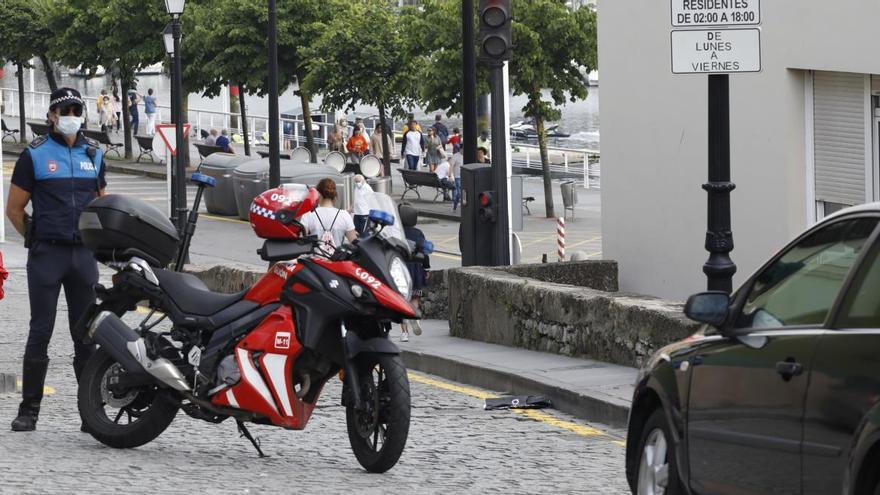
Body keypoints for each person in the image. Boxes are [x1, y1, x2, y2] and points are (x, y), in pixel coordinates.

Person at [5, 88, 107, 432]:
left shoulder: (94, 153)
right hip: (47, 254)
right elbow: (14, 210)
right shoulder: (34, 155)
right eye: (65, 109)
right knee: (40, 332)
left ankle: (90, 413)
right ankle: (29, 410)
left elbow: (101, 205)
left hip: (83, 256)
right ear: (51, 115)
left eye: (76, 108)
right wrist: (34, 239)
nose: (71, 114)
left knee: (86, 336)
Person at [301, 178, 357, 253]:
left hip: (314, 262)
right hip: (336, 261)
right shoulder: (344, 215)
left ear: (318, 194)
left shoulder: (309, 214)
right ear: (334, 194)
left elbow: (301, 241)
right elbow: (354, 243)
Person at [398, 203, 428, 342]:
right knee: (415, 297)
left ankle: (404, 333)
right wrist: (426, 268)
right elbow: (424, 252)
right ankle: (414, 316)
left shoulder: (396, 232)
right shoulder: (418, 233)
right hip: (416, 268)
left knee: (402, 299)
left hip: (401, 268)